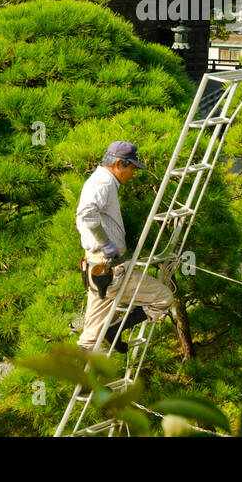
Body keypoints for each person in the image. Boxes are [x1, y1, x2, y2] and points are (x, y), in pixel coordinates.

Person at [75, 141, 175, 353]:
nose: (133, 173)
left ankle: (84, 383)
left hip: (97, 272)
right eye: (132, 167)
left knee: (91, 336)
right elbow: (85, 214)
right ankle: (115, 330)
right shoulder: (104, 183)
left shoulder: (99, 181)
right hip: (111, 270)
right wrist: (106, 243)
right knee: (164, 298)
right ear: (120, 163)